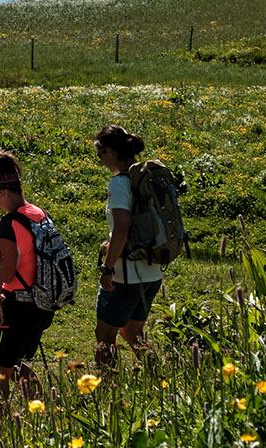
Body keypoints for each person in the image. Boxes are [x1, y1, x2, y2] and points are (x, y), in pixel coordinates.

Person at [0, 151, 55, 396]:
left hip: (19, 306)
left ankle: (2, 422)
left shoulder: (9, 224)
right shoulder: (39, 214)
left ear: (1, 192)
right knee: (7, 362)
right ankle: (40, 407)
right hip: (42, 303)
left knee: (1, 371)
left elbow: (7, 273)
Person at [94, 125, 159, 368]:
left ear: (110, 152)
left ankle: (105, 393)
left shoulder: (120, 183)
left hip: (126, 275)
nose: (100, 161)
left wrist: (107, 268)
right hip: (153, 270)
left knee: (105, 336)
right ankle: (159, 378)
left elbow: (122, 228)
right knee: (132, 332)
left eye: (100, 155)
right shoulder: (147, 177)